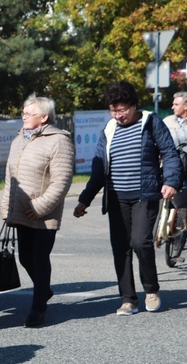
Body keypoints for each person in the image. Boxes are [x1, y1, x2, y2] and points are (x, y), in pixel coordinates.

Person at [73, 81, 182, 315]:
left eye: (122, 110)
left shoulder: (151, 122)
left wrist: (171, 181)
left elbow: (169, 153)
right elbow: (99, 168)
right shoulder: (109, 130)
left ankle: (151, 290)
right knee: (120, 247)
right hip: (116, 198)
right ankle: (128, 299)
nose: (118, 115)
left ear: (134, 106)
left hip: (145, 195)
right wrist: (85, 200)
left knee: (140, 242)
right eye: (113, 110)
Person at [0, 95, 74, 327]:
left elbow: (62, 181)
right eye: (23, 112)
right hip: (20, 212)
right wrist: (6, 208)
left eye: (28, 113)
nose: (23, 116)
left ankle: (38, 307)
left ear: (44, 117)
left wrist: (39, 207)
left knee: (39, 259)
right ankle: (45, 289)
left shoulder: (59, 140)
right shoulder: (19, 139)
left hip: (43, 215)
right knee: (24, 258)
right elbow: (9, 178)